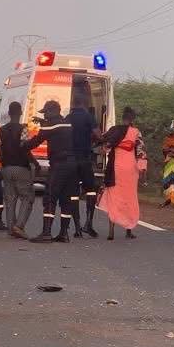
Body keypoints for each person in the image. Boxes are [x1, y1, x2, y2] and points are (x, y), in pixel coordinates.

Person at [23, 99, 78, 243]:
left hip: (59, 165)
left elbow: (35, 141)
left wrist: (21, 146)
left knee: (50, 197)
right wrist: (42, 121)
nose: (45, 116)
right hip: (72, 165)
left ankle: (46, 233)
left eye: (46, 112)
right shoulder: (67, 123)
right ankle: (64, 233)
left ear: (52, 111)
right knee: (66, 199)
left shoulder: (51, 125)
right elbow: (52, 127)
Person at [98, 107, 147, 240]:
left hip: (116, 167)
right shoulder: (136, 132)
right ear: (132, 119)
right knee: (129, 197)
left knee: (114, 196)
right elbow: (141, 151)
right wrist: (142, 168)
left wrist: (105, 149)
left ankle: (111, 232)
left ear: (122, 118)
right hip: (130, 169)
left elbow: (104, 147)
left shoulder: (114, 130)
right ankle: (129, 230)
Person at [0, 101, 37, 238]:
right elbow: (25, 147)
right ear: (20, 113)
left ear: (9, 113)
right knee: (27, 197)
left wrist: (2, 162)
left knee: (10, 198)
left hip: (6, 168)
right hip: (21, 167)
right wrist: (35, 162)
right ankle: (19, 226)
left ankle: (10, 228)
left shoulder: (1, 130)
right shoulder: (24, 129)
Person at [67, 89, 101, 237]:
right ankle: (88, 223)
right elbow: (98, 135)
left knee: (73, 193)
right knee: (91, 190)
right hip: (85, 159)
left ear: (73, 103)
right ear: (84, 103)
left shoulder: (67, 117)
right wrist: (94, 142)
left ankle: (77, 228)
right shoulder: (88, 117)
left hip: (71, 159)